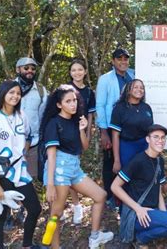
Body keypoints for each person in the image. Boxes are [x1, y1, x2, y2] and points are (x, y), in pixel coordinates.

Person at [41, 84, 113, 249]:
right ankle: (54, 247)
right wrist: (50, 185)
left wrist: (82, 129)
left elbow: (84, 147)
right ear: (59, 104)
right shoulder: (53, 123)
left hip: (74, 167)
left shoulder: (76, 120)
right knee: (56, 214)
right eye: (68, 101)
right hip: (59, 168)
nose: (73, 104)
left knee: (100, 196)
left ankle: (94, 237)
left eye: (74, 100)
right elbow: (51, 156)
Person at [111, 124, 167, 248]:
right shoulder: (138, 161)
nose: (160, 141)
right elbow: (115, 186)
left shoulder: (159, 161)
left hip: (154, 207)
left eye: (163, 138)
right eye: (156, 137)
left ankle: (160, 223)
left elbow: (157, 188)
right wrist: (138, 208)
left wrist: (163, 212)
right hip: (138, 213)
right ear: (148, 139)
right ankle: (140, 238)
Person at [0, 81, 41, 249]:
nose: (15, 96)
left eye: (18, 93)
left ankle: (27, 245)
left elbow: (29, 136)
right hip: (1, 175)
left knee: (35, 208)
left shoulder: (21, 115)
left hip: (20, 172)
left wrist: (24, 151)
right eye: (11, 93)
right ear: (2, 95)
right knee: (0, 217)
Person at [0, 56, 48, 227]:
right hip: (7, 145)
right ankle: (7, 212)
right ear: (18, 70)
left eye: (32, 68)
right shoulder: (8, 88)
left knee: (26, 179)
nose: (30, 71)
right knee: (7, 179)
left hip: (31, 144)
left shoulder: (41, 90)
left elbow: (43, 116)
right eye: (26, 68)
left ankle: (22, 208)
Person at [96, 48, 135, 207]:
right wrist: (104, 131)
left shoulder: (132, 76)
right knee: (110, 161)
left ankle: (125, 194)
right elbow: (100, 105)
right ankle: (111, 196)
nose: (123, 62)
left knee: (127, 159)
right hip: (111, 126)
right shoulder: (106, 79)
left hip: (130, 125)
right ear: (113, 61)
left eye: (125, 59)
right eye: (119, 59)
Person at [66, 58, 96, 224]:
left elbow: (90, 115)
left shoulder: (89, 92)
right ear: (70, 73)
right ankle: (76, 205)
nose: (76, 73)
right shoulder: (65, 89)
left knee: (74, 167)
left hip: (80, 133)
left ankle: (75, 204)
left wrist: (88, 133)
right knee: (68, 168)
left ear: (85, 71)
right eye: (73, 70)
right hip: (65, 134)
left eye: (80, 69)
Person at [109, 79, 153, 173]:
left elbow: (151, 132)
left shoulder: (146, 107)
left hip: (145, 146)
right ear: (128, 90)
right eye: (136, 87)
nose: (139, 89)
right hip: (127, 147)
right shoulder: (119, 108)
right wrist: (116, 160)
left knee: (144, 174)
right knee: (128, 175)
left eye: (142, 88)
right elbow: (115, 136)